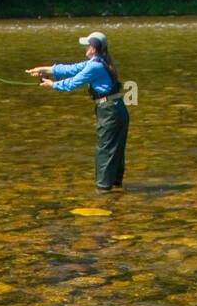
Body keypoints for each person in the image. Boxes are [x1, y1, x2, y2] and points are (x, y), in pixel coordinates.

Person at [26, 31, 128, 192]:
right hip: (116, 109)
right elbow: (71, 69)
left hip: (110, 111)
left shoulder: (95, 66)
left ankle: (102, 190)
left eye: (87, 45)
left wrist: (52, 85)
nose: (85, 48)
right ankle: (115, 188)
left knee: (104, 150)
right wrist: (45, 70)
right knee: (115, 151)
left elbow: (73, 82)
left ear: (94, 48)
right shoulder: (98, 61)